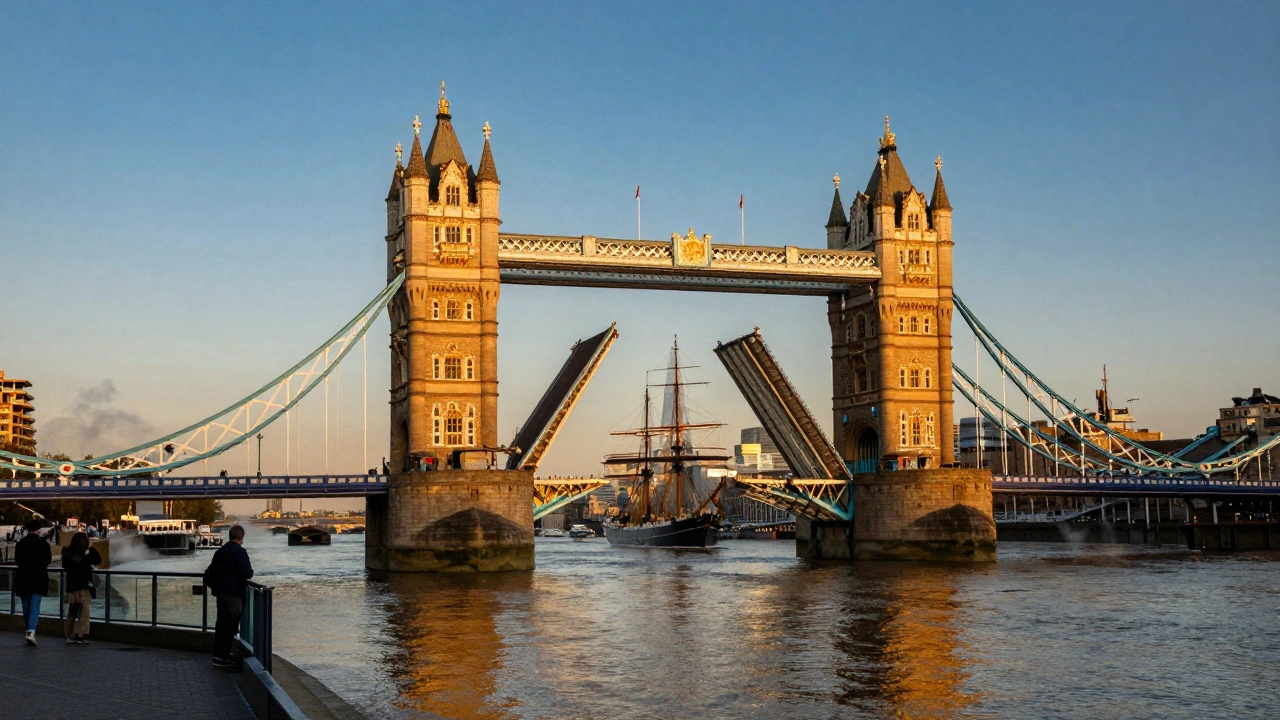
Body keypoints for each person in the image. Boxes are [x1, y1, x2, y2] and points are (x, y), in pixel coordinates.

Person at [203, 524, 253, 669]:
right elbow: (247, 572)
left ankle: (219, 655)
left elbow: (210, 571)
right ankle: (222, 658)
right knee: (230, 627)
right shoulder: (240, 552)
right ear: (241, 538)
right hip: (234, 595)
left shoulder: (220, 551)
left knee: (221, 625)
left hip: (221, 594)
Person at [14, 519, 52, 646]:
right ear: (39, 529)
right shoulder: (43, 544)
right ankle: (31, 632)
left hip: (23, 578)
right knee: (35, 607)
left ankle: (27, 631)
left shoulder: (21, 543)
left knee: (26, 607)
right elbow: (48, 560)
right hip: (38, 579)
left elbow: (17, 560)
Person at [61, 532, 102, 644]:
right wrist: (90, 548)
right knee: (84, 610)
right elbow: (98, 560)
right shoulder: (86, 553)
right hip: (84, 585)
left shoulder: (66, 551)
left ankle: (68, 636)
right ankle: (80, 635)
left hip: (72, 585)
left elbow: (66, 566)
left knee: (72, 611)